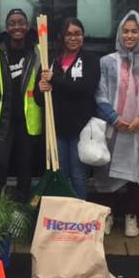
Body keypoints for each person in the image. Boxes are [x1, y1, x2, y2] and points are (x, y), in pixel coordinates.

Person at [94, 11, 139, 237]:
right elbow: (99, 93)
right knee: (108, 172)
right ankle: (107, 215)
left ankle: (131, 216)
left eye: (135, 31)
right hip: (114, 128)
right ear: (119, 33)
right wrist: (113, 118)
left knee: (136, 172)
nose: (130, 36)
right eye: (125, 31)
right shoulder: (107, 62)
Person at [35, 17, 101, 200]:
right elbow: (40, 99)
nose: (73, 38)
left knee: (79, 175)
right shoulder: (49, 61)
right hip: (55, 129)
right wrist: (41, 89)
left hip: (81, 128)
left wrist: (54, 80)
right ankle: (63, 212)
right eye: (69, 34)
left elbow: (85, 89)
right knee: (60, 174)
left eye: (78, 34)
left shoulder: (90, 60)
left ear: (83, 36)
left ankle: (79, 212)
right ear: (61, 37)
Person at [0, 8, 43, 202]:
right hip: (2, 118)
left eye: (21, 23)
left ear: (28, 26)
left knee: (25, 167)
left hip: (27, 120)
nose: (17, 27)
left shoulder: (39, 52)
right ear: (6, 27)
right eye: (12, 23)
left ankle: (22, 207)